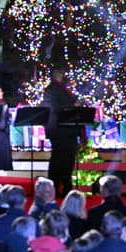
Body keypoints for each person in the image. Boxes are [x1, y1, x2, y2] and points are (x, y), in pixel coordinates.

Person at [42, 68, 80, 197]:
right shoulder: (56, 89)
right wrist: (75, 102)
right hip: (62, 130)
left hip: (60, 129)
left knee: (61, 159)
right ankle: (61, 186)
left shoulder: (53, 89)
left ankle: (61, 185)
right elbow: (67, 105)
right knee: (62, 159)